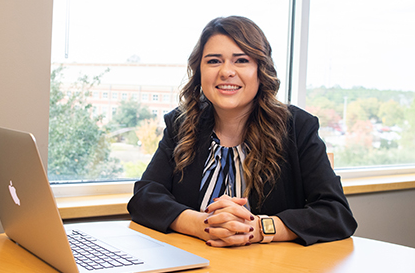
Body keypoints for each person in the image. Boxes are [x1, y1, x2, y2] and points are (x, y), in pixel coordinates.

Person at [127, 16, 357, 247]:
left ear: (260, 70)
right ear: (199, 72)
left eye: (241, 61)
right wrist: (202, 224)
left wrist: (256, 228)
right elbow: (144, 198)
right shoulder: (181, 125)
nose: (227, 72)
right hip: (193, 268)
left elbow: (335, 213)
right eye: (214, 61)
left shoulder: (298, 128)